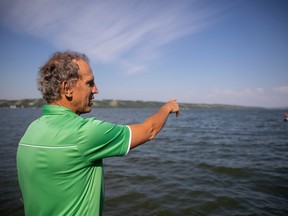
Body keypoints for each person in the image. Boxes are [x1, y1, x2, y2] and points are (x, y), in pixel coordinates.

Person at [17, 51, 179, 216]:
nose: (96, 89)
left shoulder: (29, 133)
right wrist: (167, 107)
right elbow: (149, 130)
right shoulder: (84, 133)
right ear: (67, 88)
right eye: (90, 83)